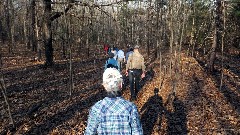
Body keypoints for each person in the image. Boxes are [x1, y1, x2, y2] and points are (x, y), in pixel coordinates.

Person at [84, 68, 143, 135]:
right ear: (121, 85)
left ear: (104, 86)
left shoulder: (97, 108)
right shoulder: (131, 108)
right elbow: (138, 133)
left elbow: (89, 133)